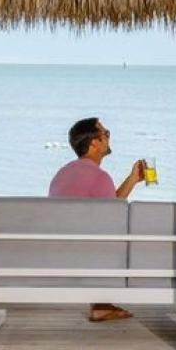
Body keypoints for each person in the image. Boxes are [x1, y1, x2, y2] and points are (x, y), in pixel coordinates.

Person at [48, 116, 146, 322]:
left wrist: (133, 179)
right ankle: (100, 304)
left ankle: (101, 304)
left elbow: (109, 204)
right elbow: (115, 214)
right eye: (106, 134)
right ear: (94, 143)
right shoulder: (99, 177)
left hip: (58, 251)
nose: (109, 137)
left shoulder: (62, 174)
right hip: (86, 257)